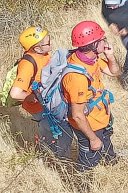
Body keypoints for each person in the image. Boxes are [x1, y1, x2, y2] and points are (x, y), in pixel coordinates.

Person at [8, 26, 72, 158]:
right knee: (53, 132)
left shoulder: (43, 54)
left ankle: (55, 153)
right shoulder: (28, 64)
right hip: (40, 107)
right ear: (36, 48)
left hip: (49, 103)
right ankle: (54, 158)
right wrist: (31, 96)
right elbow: (15, 94)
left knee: (58, 130)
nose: (51, 44)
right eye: (47, 43)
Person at [64, 21, 120, 171]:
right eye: (102, 39)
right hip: (89, 125)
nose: (105, 41)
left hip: (100, 115)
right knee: (89, 159)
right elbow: (77, 115)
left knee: (106, 138)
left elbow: (114, 72)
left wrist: (111, 56)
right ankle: (80, 183)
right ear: (94, 44)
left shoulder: (91, 58)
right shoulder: (76, 76)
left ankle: (110, 161)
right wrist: (93, 139)